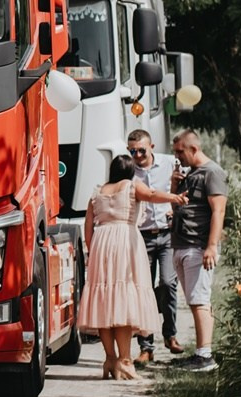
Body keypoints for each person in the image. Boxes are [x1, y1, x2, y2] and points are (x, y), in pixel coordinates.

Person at [76, 155, 186, 380]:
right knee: (123, 302)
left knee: (104, 304)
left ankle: (109, 359)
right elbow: (153, 195)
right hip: (125, 241)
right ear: (130, 172)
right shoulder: (132, 186)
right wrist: (174, 197)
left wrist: (92, 252)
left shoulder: (97, 192)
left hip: (101, 244)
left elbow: (88, 227)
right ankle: (125, 361)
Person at [168, 129, 230, 373]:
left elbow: (218, 211)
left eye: (180, 151)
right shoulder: (191, 173)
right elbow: (177, 204)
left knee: (200, 300)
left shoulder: (212, 172)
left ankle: (205, 356)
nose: (178, 157)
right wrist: (174, 185)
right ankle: (200, 354)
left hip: (198, 245)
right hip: (182, 243)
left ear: (193, 149)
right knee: (194, 301)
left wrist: (211, 246)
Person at [128, 129, 180, 365]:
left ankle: (170, 334)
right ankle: (146, 347)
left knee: (168, 283)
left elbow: (185, 186)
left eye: (141, 150)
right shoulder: (129, 172)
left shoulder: (169, 163)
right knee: (144, 291)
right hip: (142, 236)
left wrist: (176, 207)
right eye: (132, 151)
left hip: (167, 235)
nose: (137, 155)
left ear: (152, 147)